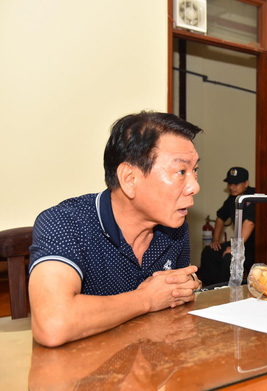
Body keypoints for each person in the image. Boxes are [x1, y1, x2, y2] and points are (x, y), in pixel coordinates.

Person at [28, 111, 204, 347]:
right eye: (181, 172)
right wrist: (145, 299)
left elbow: (173, 309)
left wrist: (186, 287)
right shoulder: (65, 222)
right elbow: (52, 323)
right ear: (129, 178)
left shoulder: (175, 229)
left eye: (195, 171)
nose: (195, 186)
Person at [198, 167, 256, 286]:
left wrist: (236, 248)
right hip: (239, 242)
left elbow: (250, 222)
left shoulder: (253, 196)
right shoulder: (232, 198)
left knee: (230, 257)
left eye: (236, 184)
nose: (232, 187)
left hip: (253, 247)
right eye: (230, 184)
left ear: (246, 183)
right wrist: (215, 239)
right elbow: (220, 217)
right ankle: (209, 289)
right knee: (209, 252)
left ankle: (223, 292)